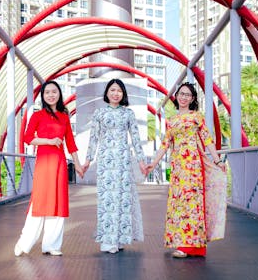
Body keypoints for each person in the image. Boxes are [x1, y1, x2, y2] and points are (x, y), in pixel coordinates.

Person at [147, 82, 226, 258]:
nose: (183, 97)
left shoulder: (196, 117)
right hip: (177, 168)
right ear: (176, 96)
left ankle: (189, 246)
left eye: (187, 95)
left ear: (192, 99)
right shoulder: (171, 121)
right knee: (178, 204)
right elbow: (165, 145)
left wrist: (217, 160)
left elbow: (207, 140)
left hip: (193, 166)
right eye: (181, 94)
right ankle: (181, 242)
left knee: (192, 204)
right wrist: (153, 163)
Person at [14, 80, 83, 257]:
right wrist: (49, 141)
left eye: (54, 92)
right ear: (43, 96)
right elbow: (27, 138)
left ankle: (51, 245)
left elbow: (71, 144)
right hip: (44, 163)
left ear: (59, 94)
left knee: (57, 202)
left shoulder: (64, 117)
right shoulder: (37, 116)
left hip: (59, 164)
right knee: (40, 202)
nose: (51, 95)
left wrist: (77, 164)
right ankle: (25, 242)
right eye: (47, 92)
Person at [83, 78, 148, 254]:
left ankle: (120, 238)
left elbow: (135, 139)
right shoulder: (99, 113)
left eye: (119, 90)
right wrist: (87, 160)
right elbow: (94, 138)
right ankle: (108, 240)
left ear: (123, 94)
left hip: (123, 161)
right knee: (107, 198)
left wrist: (142, 162)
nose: (115, 93)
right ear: (107, 92)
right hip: (106, 161)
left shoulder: (128, 114)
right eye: (112, 90)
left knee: (123, 199)